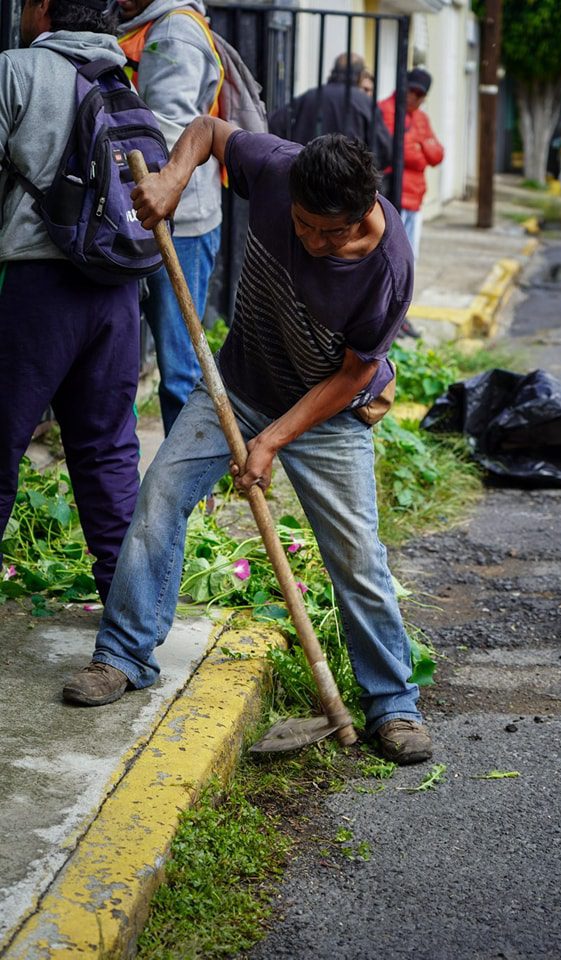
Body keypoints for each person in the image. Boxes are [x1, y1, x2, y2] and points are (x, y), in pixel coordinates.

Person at [62, 120, 434, 766]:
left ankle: (392, 703)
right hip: (238, 383)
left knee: (356, 555)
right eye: (303, 225)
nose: (313, 240)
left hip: (328, 411)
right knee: (159, 497)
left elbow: (353, 374)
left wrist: (270, 442)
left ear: (364, 211)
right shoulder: (277, 168)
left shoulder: (388, 267)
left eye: (330, 232)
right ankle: (122, 654)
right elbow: (207, 130)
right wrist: (174, 180)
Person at [0, 0, 141, 604]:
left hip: (36, 287)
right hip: (117, 290)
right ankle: (128, 619)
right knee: (108, 451)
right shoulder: (123, 83)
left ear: (42, 11)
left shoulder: (15, 69)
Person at [117, 0, 223, 435]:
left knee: (181, 364)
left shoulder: (172, 33)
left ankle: (194, 482)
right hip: (162, 214)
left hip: (179, 222)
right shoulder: (153, 26)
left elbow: (166, 130)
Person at [269, 52, 392, 171]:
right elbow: (384, 149)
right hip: (348, 178)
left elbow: (275, 123)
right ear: (360, 75)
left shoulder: (310, 96)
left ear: (333, 71)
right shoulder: (364, 102)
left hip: (308, 173)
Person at [380, 67, 444, 262]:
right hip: (392, 193)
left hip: (415, 196)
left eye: (420, 94)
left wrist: (418, 144)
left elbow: (437, 155)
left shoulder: (421, 118)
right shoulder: (386, 108)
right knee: (388, 255)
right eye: (412, 91)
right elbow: (399, 150)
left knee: (409, 258)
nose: (414, 97)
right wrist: (422, 145)